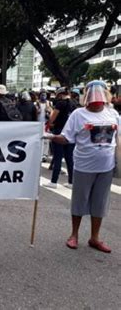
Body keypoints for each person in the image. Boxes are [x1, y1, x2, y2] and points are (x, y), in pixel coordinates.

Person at [44, 80, 119, 253]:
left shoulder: (113, 114)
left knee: (100, 203)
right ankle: (74, 235)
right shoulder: (78, 114)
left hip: (106, 167)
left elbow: (118, 139)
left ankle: (95, 237)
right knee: (79, 201)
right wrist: (50, 136)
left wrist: (118, 161)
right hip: (84, 165)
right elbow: (67, 137)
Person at [43, 87, 77, 189]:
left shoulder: (60, 103)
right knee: (69, 158)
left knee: (57, 157)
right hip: (71, 133)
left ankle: (54, 182)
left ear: (60, 94)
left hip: (59, 132)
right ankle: (71, 182)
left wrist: (49, 119)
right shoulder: (74, 104)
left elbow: (52, 118)